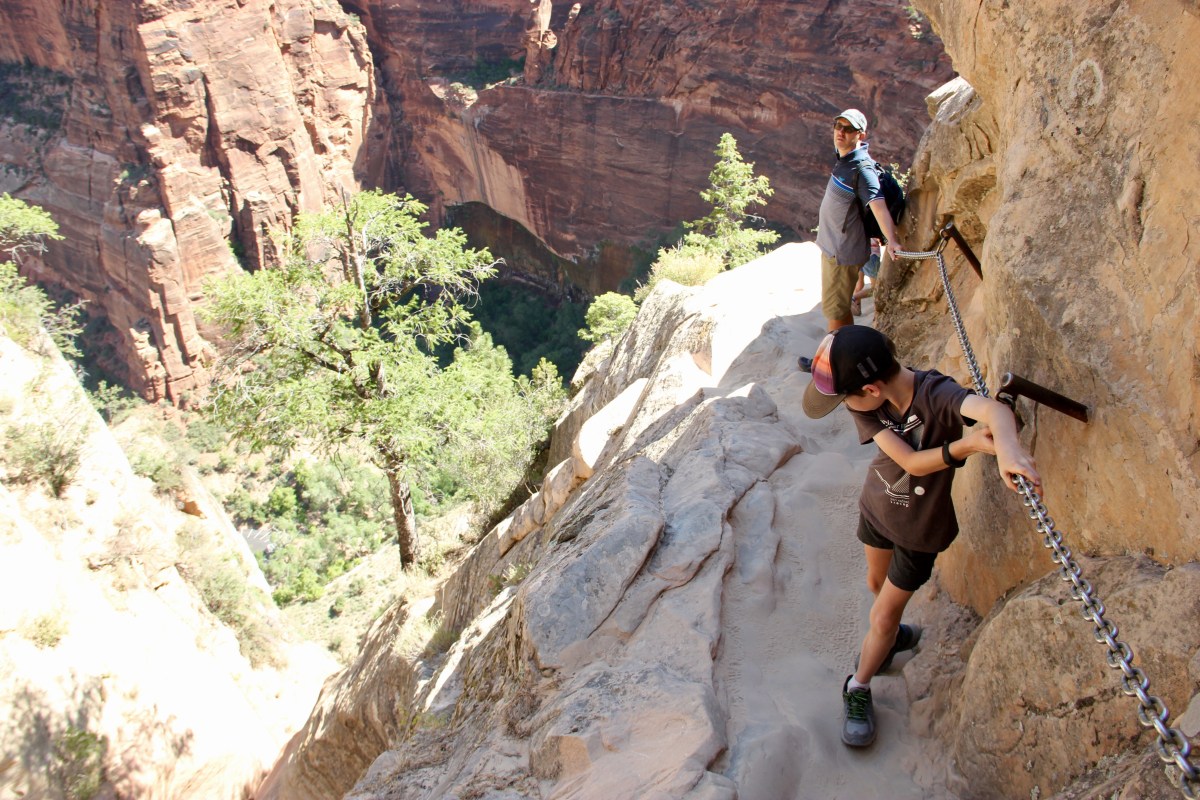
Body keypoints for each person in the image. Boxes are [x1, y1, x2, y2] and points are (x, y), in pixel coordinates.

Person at [800, 325, 1041, 747]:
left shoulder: (937, 394)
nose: (845, 406)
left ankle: (858, 685)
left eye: (845, 397)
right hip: (877, 509)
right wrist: (966, 447)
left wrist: (1008, 450)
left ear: (871, 388)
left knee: (881, 617)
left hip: (919, 532)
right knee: (876, 585)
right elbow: (909, 462)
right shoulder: (866, 406)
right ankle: (892, 638)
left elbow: (996, 412)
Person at [799, 110, 901, 374]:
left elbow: (877, 204)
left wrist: (892, 240)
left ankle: (829, 368)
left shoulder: (861, 168)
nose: (841, 132)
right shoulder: (845, 160)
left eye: (848, 129)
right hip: (836, 247)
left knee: (834, 310)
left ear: (861, 135)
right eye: (838, 125)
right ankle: (845, 358)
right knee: (841, 307)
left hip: (841, 253)